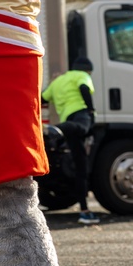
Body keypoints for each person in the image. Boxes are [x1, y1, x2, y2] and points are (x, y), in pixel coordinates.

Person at [42, 57, 99, 224]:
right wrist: (91, 110)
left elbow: (42, 98)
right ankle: (60, 128)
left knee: (80, 164)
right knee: (83, 128)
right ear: (87, 70)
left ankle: (84, 210)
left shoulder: (58, 81)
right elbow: (83, 88)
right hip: (79, 116)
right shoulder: (82, 75)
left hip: (68, 120)